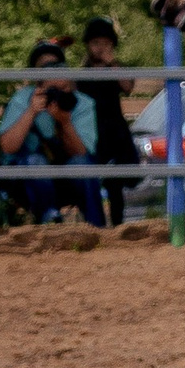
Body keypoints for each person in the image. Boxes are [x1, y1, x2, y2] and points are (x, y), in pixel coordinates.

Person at [0, 37, 91, 224]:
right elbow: (7, 148)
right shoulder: (23, 98)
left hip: (63, 173)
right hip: (26, 178)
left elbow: (81, 153)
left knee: (84, 164)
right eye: (44, 67)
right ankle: (49, 219)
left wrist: (64, 120)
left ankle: (95, 223)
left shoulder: (75, 100)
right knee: (35, 160)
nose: (50, 71)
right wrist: (31, 111)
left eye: (55, 66)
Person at [72, 17, 141, 228]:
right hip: (91, 133)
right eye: (96, 43)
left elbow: (128, 86)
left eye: (106, 43)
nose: (101, 48)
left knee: (117, 181)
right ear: (88, 45)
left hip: (116, 133)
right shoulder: (81, 76)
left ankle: (119, 225)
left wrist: (113, 63)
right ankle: (94, 224)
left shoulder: (115, 70)